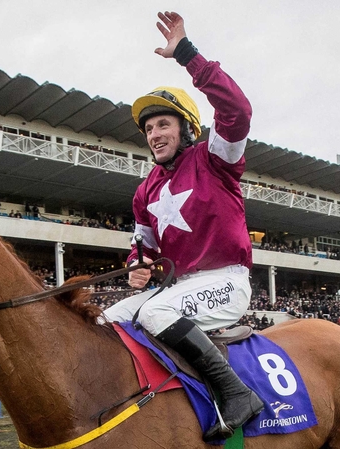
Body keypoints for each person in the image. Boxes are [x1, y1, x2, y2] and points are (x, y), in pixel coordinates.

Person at [102, 11, 263, 439]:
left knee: (155, 311)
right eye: (148, 128)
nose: (154, 134)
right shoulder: (145, 191)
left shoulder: (214, 158)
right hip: (178, 288)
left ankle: (237, 394)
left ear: (187, 129)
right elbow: (143, 248)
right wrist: (137, 265)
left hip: (226, 281)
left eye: (163, 124)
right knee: (106, 319)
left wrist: (187, 55)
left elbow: (237, 110)